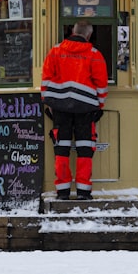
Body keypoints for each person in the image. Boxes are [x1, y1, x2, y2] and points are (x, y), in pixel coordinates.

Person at [41, 20, 108, 200]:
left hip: (60, 107)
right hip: (86, 108)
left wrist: (49, 102)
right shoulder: (94, 55)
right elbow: (101, 85)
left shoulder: (55, 51)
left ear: (72, 31)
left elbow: (46, 79)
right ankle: (83, 192)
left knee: (61, 148)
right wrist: (99, 105)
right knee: (85, 149)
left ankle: (62, 192)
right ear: (88, 35)